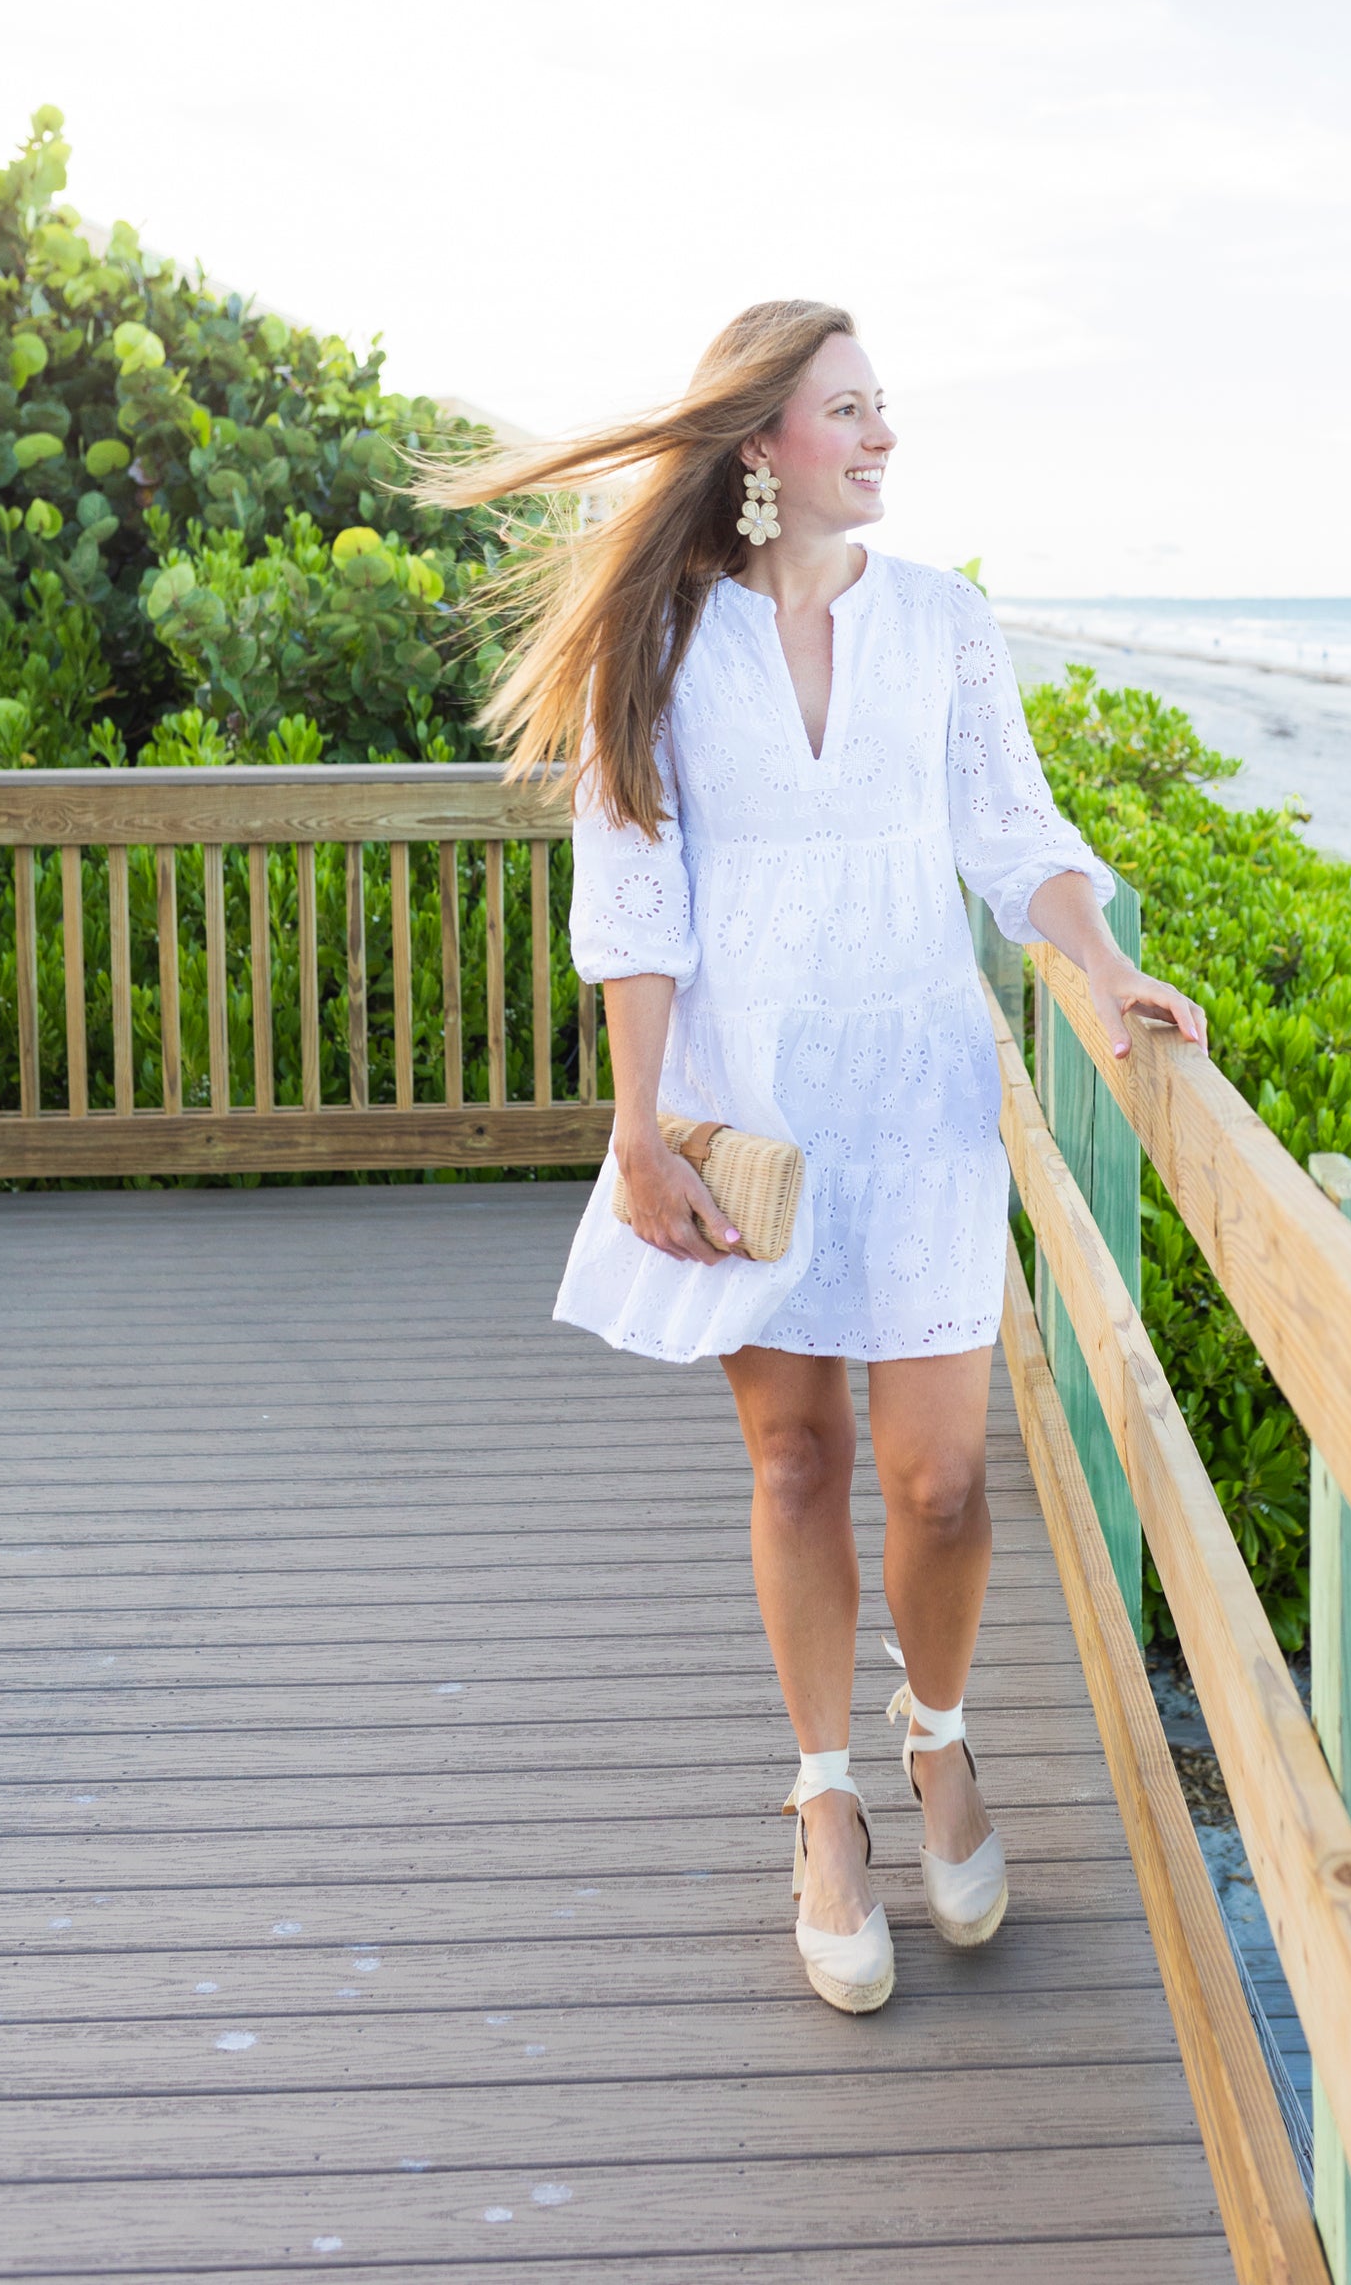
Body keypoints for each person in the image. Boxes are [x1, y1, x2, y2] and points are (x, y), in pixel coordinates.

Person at [434, 300, 1205, 2013]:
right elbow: (631, 898)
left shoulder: (944, 623)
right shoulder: (663, 640)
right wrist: (636, 1131)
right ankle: (823, 1801)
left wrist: (1101, 962)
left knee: (941, 1479)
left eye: (881, 410)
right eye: (848, 411)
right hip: (754, 1098)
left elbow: (1016, 833)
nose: (881, 438)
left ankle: (936, 1741)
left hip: (921, 1093)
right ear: (761, 446)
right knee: (795, 1461)